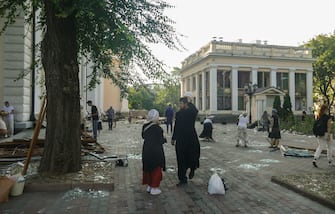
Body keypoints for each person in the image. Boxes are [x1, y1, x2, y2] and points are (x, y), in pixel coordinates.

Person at [171, 96, 200, 186]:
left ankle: (192, 168)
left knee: (192, 155)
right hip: (181, 139)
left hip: (191, 138)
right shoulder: (179, 114)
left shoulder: (191, 113)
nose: (179, 105)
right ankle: (182, 178)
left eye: (181, 103)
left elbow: (195, 110)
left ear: (185, 104)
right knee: (180, 158)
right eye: (179, 103)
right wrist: (173, 138)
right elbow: (176, 126)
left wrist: (189, 101)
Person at [142, 109, 166, 195]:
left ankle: (149, 186)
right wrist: (164, 140)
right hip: (156, 151)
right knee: (156, 169)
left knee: (148, 168)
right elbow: (160, 140)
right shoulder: (157, 128)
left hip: (146, 149)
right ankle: (154, 187)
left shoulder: (145, 126)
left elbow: (143, 136)